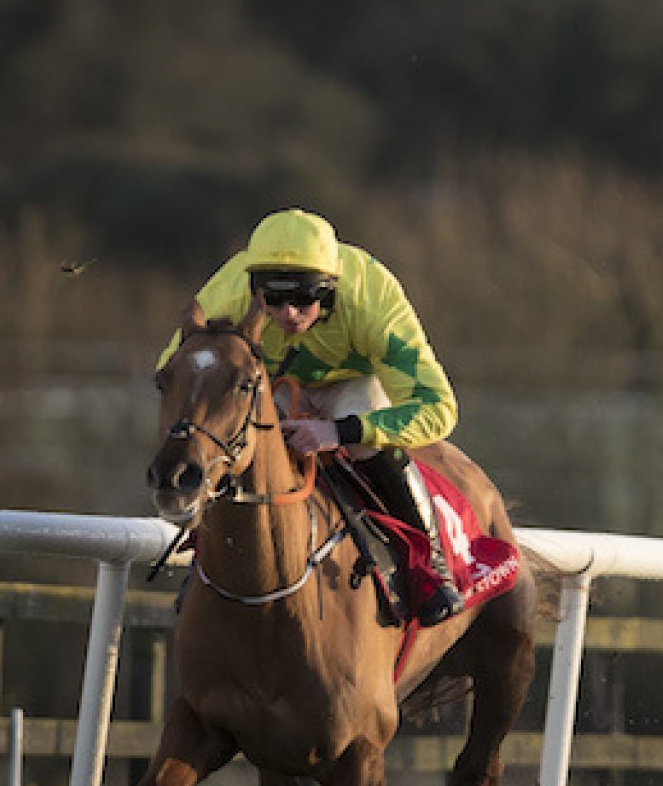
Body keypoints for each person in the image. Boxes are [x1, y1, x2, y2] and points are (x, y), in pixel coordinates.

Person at [159, 208, 465, 625]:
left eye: (304, 298)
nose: (288, 314)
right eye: (275, 298)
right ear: (254, 287)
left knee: (363, 443)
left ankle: (428, 567)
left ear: (331, 290)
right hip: (269, 383)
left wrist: (339, 430)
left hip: (353, 383)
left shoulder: (372, 304)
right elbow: (174, 372)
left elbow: (438, 410)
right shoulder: (228, 293)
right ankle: (202, 558)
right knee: (234, 439)